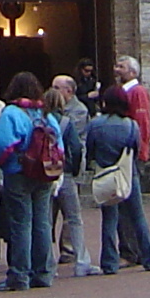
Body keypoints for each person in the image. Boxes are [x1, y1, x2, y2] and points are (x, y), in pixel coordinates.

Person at [0, 72, 56, 291]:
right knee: (42, 222)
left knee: (21, 223)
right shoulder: (45, 113)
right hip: (44, 173)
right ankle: (44, 272)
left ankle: (20, 274)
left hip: (18, 172)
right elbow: (59, 143)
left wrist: (2, 163)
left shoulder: (12, 113)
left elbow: (1, 144)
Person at [86, 85, 150, 272]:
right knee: (138, 217)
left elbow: (90, 150)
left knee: (109, 219)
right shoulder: (131, 125)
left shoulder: (95, 124)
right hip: (127, 173)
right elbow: (134, 149)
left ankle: (110, 263)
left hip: (105, 174)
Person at [46, 76, 94, 277]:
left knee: (46, 219)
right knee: (73, 218)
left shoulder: (41, 118)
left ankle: (47, 263)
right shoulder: (66, 121)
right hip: (63, 172)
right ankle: (81, 261)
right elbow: (75, 147)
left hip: (47, 172)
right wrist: (73, 170)